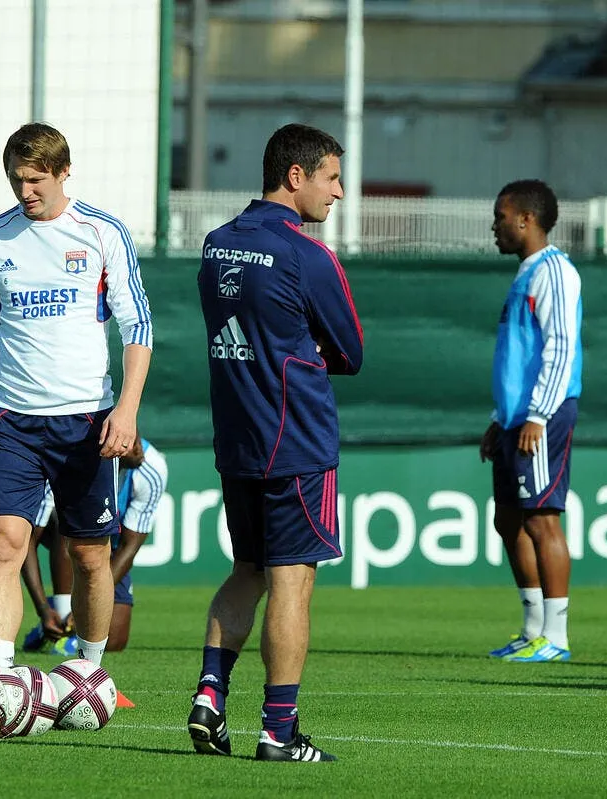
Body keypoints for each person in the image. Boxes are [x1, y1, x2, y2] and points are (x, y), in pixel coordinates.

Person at [188, 123, 363, 763]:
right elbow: (351, 352)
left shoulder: (215, 245)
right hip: (296, 443)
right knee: (291, 583)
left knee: (247, 571)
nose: (339, 192)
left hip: (237, 437)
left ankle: (210, 693)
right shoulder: (306, 255)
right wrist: (307, 346)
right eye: (332, 177)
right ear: (297, 177)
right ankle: (278, 732)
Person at [0, 122, 153, 672]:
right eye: (17, 180)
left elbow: (137, 324)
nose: (26, 191)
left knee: (91, 555)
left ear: (64, 172)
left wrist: (127, 411)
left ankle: (88, 674)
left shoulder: (102, 233)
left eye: (36, 180)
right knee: (2, 545)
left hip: (87, 421)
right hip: (12, 421)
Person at [480, 178, 582, 663]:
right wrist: (499, 419)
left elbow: (559, 349)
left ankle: (556, 637)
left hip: (542, 415)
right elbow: (517, 358)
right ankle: (533, 628)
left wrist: (538, 415)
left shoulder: (555, 271)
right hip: (515, 418)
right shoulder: (525, 273)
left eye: (501, 215)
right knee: (509, 521)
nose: (495, 225)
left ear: (525, 218)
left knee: (542, 519)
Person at [20, 436, 169, 658]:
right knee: (69, 524)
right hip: (65, 537)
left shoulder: (152, 468)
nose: (140, 450)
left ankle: (62, 625)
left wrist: (90, 599)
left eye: (137, 439)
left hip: (110, 551)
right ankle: (59, 617)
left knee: (115, 640)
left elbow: (129, 547)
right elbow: (27, 540)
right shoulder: (70, 463)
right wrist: (42, 608)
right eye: (132, 445)